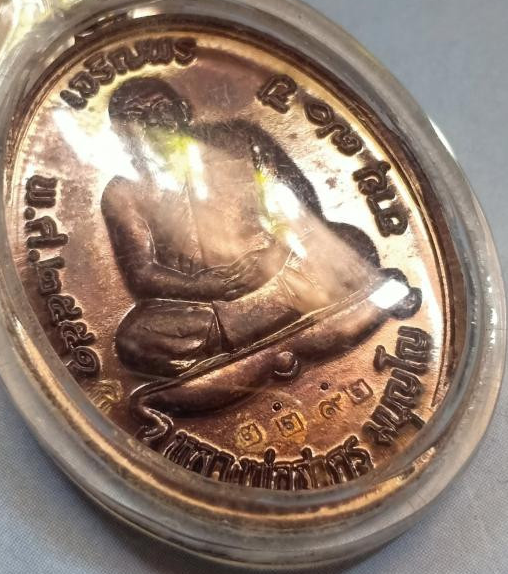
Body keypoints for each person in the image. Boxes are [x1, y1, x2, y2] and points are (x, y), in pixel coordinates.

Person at [102, 76, 420, 380]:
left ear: (183, 111)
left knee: (351, 241)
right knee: (135, 337)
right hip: (209, 305)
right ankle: (305, 325)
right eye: (138, 116)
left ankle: (251, 348)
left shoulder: (240, 140)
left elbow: (299, 208)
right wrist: (204, 286)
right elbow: (142, 274)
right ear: (121, 132)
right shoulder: (122, 192)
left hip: (279, 270)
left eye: (161, 108)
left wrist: (273, 256)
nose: (154, 121)